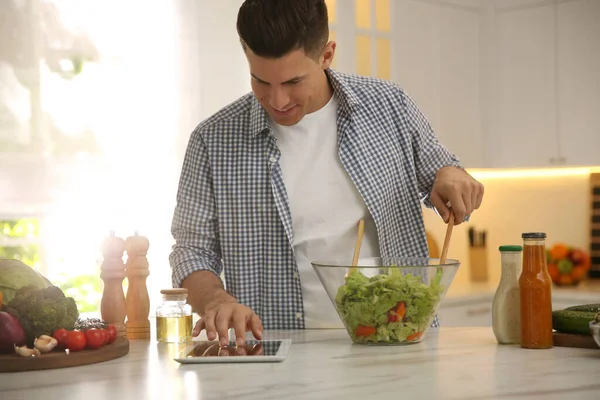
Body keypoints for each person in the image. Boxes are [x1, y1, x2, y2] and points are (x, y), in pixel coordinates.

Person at [169, 0, 484, 347]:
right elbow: (191, 252)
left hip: (397, 341)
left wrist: (451, 175)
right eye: (260, 80)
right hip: (275, 353)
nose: (277, 99)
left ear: (327, 54)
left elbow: (442, 170)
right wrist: (216, 300)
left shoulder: (389, 105)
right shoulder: (213, 140)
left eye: (293, 81)